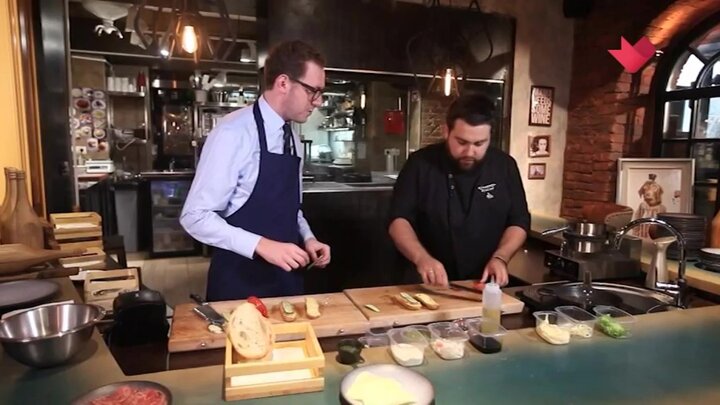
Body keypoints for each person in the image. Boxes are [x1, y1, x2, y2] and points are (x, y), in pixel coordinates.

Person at [180, 40, 331, 301]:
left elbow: (291, 209)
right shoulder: (233, 132)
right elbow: (194, 216)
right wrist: (261, 245)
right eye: (313, 91)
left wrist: (308, 238)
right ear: (283, 83)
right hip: (239, 282)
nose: (318, 102)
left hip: (286, 280)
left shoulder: (293, 139)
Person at [388, 94, 530, 287]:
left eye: (479, 144)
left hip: (482, 281)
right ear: (446, 131)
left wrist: (501, 257)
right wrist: (421, 258)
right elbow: (398, 220)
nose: (470, 152)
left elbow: (519, 221)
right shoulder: (420, 164)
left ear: (489, 137)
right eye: (462, 142)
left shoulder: (504, 166)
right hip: (424, 279)